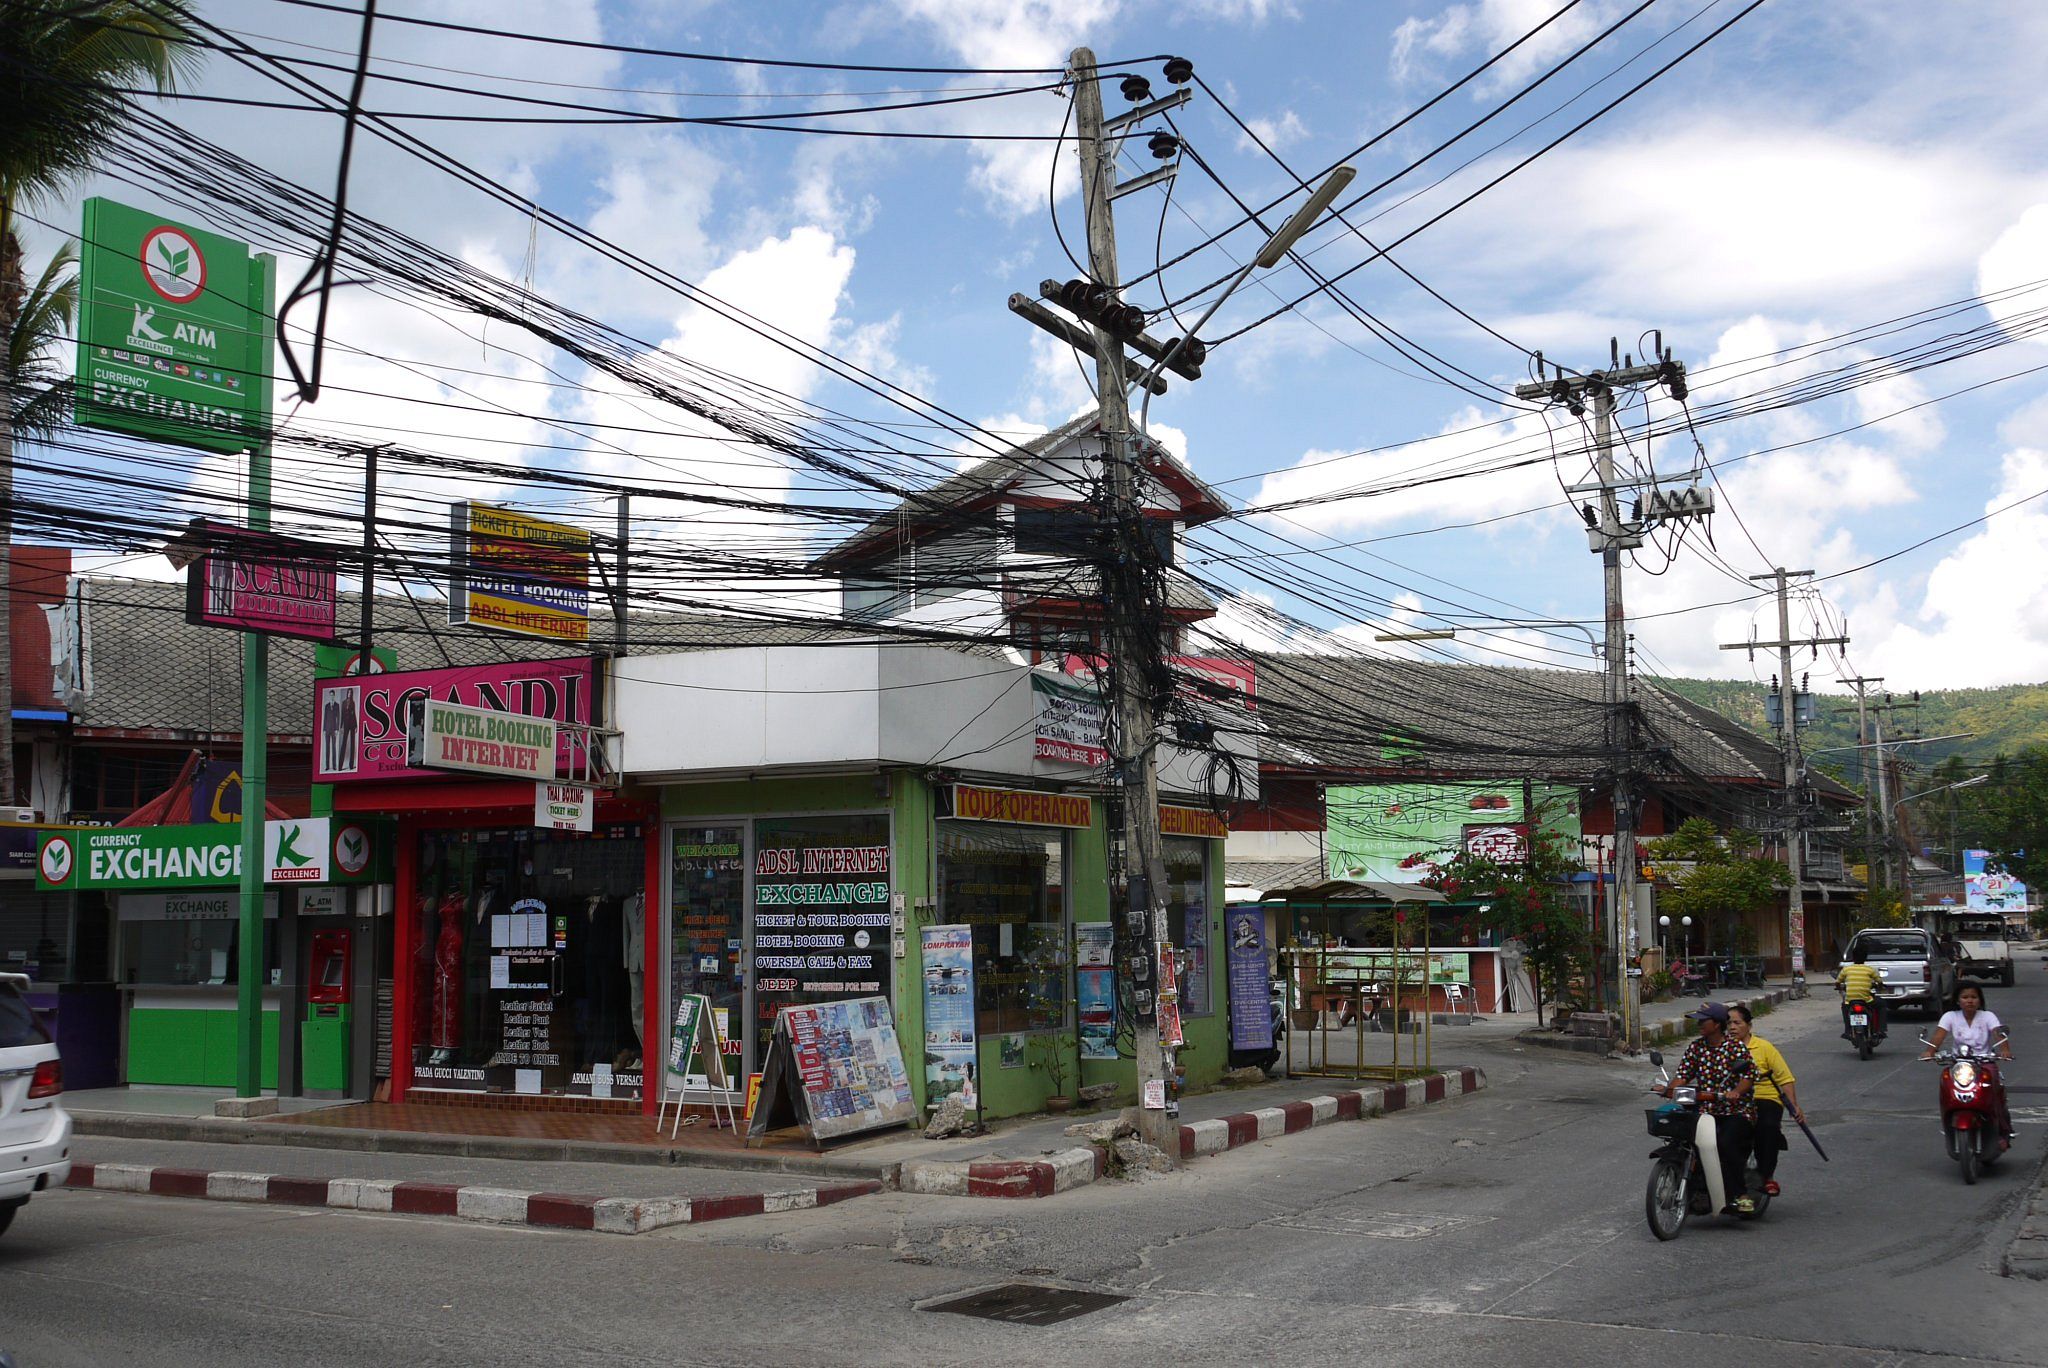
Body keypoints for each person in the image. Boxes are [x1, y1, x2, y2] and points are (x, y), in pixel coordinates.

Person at [1656, 1001, 1758, 1214]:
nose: (1699, 1024)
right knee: (1686, 1140)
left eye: (1704, 1021)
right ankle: (1699, 1189)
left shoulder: (1734, 1047)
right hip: (1704, 1110)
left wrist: (1735, 1092)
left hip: (1735, 1110)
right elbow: (1683, 1074)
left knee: (1725, 1144)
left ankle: (1740, 1194)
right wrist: (1668, 1089)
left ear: (1717, 1024)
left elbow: (1748, 1076)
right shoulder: (1696, 1047)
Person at [1920, 984, 2015, 1145]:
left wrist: (2005, 1051)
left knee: (1994, 1091)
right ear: (1958, 1000)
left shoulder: (1988, 1016)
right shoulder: (1950, 1016)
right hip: (1959, 1063)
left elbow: (1998, 1034)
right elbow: (1938, 1036)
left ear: (1979, 1000)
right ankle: (1949, 1119)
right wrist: (1929, 1052)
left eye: (1973, 997)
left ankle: (2003, 1132)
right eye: (1965, 997)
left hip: (1984, 1062)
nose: (1969, 1001)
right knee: (1946, 1083)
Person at [1728, 1004, 1804, 1197]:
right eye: (1729, 1023)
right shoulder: (1723, 1049)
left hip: (1764, 1097)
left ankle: (1767, 1175)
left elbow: (1784, 1078)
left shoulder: (1764, 1047)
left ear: (1749, 1025)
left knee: (1768, 1127)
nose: (1732, 1027)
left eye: (1737, 1023)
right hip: (1733, 1099)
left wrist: (1794, 1106)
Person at [1835, 944, 1884, 1040]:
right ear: (1865, 958)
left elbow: (1837, 982)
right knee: (1881, 1004)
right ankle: (1880, 1030)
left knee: (1845, 1008)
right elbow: (1879, 982)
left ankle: (1847, 1031)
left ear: (1853, 957)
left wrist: (1840, 988)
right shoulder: (1869, 969)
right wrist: (1880, 987)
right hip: (1866, 999)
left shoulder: (1846, 969)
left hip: (1850, 1000)